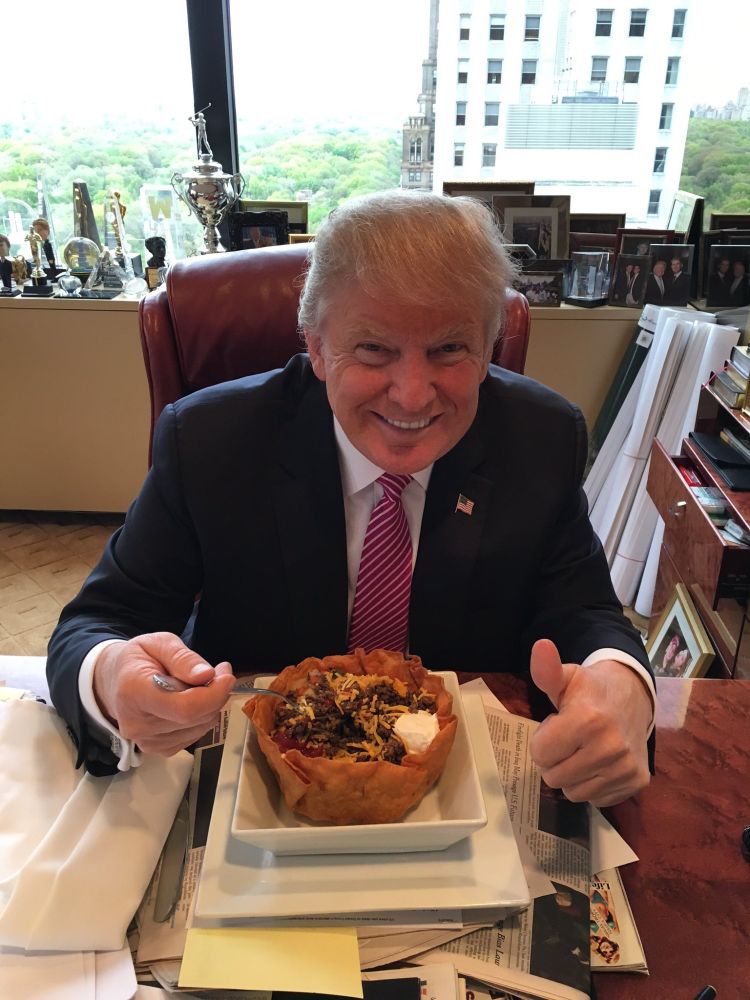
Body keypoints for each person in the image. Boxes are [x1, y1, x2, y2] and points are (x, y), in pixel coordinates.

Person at [46, 190, 654, 807]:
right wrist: (114, 678)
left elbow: (588, 616)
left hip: (462, 795)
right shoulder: (207, 441)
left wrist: (621, 684)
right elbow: (97, 625)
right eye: (373, 349)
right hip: (261, 792)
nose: (413, 397)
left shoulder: (541, 437)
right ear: (315, 346)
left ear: (490, 343)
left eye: (449, 348)